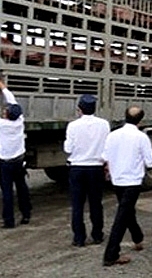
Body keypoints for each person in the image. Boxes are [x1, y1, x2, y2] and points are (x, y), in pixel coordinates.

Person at [102, 106, 152, 267]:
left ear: (124, 116)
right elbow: (150, 162)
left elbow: (104, 157)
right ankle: (110, 255)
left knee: (127, 211)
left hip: (117, 180)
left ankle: (137, 238)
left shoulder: (112, 135)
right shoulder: (141, 137)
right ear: (141, 121)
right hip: (133, 181)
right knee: (122, 216)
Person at [0, 79, 32, 228]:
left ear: (6, 115)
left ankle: (9, 221)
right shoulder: (19, 121)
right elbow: (13, 103)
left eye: (4, 111)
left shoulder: (2, 125)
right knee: (22, 188)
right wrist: (3, 88)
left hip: (6, 164)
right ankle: (26, 215)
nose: (3, 111)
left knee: (7, 193)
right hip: (19, 162)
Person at [64, 94, 110, 247]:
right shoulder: (104, 124)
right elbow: (106, 146)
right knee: (96, 203)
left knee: (77, 205)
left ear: (79, 109)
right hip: (96, 168)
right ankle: (97, 235)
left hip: (77, 168)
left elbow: (68, 149)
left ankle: (79, 238)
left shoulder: (73, 126)